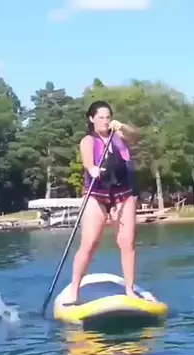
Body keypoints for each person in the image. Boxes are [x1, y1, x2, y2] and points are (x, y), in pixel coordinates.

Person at [65, 100, 142, 305]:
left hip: (123, 194)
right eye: (101, 117)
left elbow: (136, 136)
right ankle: (74, 290)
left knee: (127, 242)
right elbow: (88, 163)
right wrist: (93, 170)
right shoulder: (88, 140)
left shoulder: (119, 135)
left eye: (108, 117)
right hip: (96, 195)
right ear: (92, 119)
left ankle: (130, 290)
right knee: (90, 243)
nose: (105, 121)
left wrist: (122, 126)